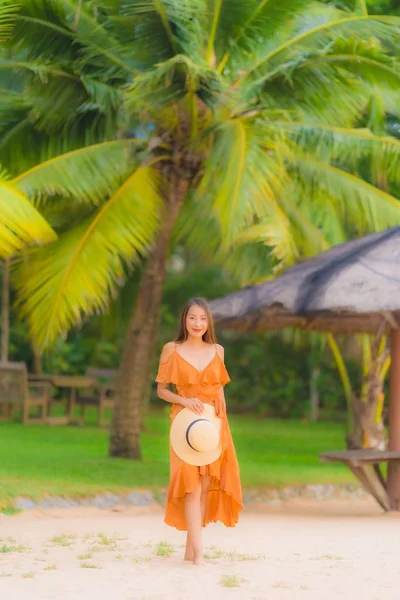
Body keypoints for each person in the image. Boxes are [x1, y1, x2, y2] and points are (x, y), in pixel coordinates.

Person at [156, 297, 243, 566]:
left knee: (204, 488)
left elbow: (221, 391)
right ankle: (200, 555)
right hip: (184, 424)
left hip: (212, 426)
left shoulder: (218, 350)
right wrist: (183, 401)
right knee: (191, 488)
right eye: (192, 317)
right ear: (184, 319)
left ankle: (190, 550)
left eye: (203, 319)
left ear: (209, 323)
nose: (197, 323)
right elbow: (161, 390)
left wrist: (220, 424)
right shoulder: (171, 349)